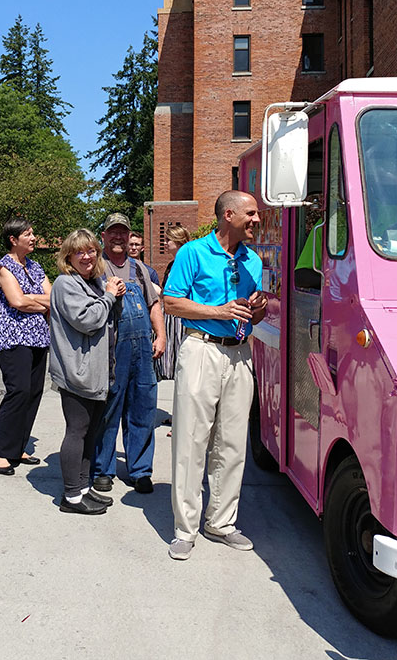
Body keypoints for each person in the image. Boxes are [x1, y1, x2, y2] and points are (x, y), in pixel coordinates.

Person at [163, 190, 267, 561]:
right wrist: (218, 312)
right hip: (202, 349)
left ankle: (221, 523)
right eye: (251, 214)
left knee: (233, 443)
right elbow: (171, 302)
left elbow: (251, 314)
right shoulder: (193, 253)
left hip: (239, 355)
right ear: (228, 214)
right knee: (191, 440)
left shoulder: (252, 261)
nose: (257, 220)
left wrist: (260, 307)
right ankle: (185, 528)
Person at [48, 229, 124, 515]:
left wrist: (113, 296)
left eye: (91, 250)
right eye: (79, 252)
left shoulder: (92, 282)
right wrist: (108, 297)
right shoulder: (66, 284)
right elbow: (88, 319)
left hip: (96, 370)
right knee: (77, 431)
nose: (87, 256)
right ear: (69, 256)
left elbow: (105, 315)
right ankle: (71, 496)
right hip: (77, 371)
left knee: (90, 433)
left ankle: (82, 488)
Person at [91, 213, 166, 495]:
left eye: (123, 232)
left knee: (143, 409)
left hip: (143, 349)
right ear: (104, 236)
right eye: (113, 232)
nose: (118, 237)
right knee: (109, 409)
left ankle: (141, 470)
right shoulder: (96, 268)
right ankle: (103, 470)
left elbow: (154, 305)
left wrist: (161, 335)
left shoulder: (140, 270)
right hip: (111, 348)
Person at [0, 216, 51, 475]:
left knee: (34, 392)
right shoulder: (5, 267)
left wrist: (32, 298)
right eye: (28, 234)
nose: (34, 238)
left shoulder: (34, 267)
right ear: (14, 240)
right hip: (11, 336)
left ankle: (18, 447)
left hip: (37, 336)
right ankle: (1, 452)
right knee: (18, 390)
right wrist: (37, 302)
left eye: (33, 233)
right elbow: (16, 302)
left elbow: (53, 296)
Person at [157, 224, 192, 384]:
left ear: (178, 241)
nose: (165, 244)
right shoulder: (172, 264)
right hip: (170, 316)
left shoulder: (186, 262)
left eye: (168, 240)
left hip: (181, 317)